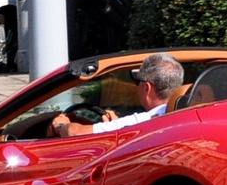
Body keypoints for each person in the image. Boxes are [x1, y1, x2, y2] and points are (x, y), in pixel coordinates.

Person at [49, 53, 185, 137]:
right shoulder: (185, 114)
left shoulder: (145, 120)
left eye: (137, 81)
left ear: (146, 87)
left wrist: (61, 125)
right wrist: (115, 124)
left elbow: (74, 132)